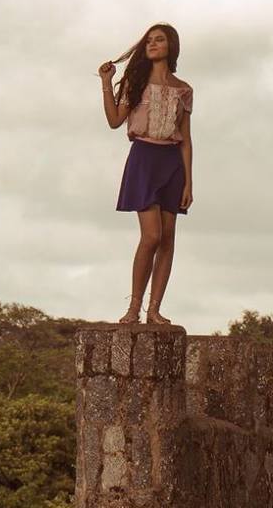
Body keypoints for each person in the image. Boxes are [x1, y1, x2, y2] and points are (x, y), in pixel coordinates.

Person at [98, 24, 193, 328]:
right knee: (151, 235)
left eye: (159, 40)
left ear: (171, 46)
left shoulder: (184, 89)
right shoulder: (135, 83)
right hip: (143, 157)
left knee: (167, 238)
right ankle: (134, 308)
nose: (152, 45)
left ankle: (155, 310)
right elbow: (115, 121)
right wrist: (106, 82)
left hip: (172, 161)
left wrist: (189, 181)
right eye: (149, 41)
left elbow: (187, 139)